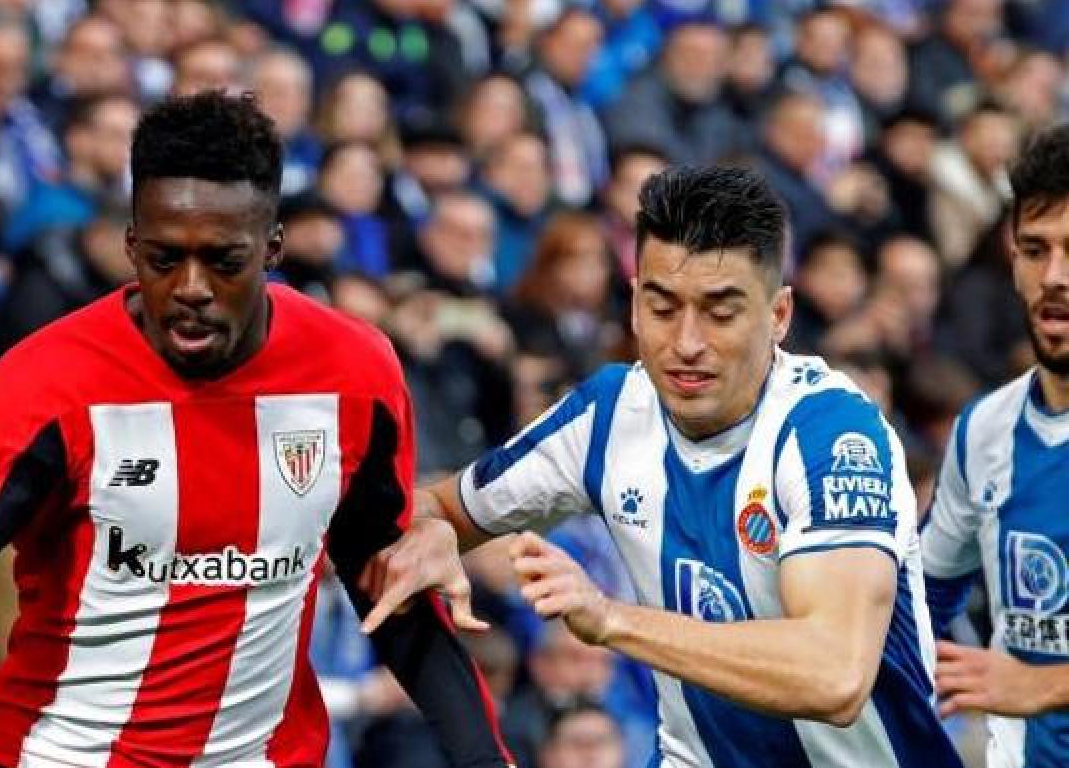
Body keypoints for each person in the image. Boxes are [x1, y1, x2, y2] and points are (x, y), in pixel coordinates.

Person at [0, 91, 511, 768]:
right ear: (130, 245)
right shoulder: (40, 386)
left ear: (272, 248)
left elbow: (390, 587)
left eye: (223, 261)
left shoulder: (354, 372)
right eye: (163, 257)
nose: (190, 287)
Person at [362, 166, 963, 766]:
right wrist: (437, 530)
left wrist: (611, 619)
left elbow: (834, 676)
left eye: (720, 312)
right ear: (632, 304)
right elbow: (443, 506)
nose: (686, 342)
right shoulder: (608, 413)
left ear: (779, 316)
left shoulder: (831, 434)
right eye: (663, 307)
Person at [920, 124, 1069, 766]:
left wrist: (1046, 684)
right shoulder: (984, 428)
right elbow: (923, 596)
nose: (1054, 277)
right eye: (1034, 250)